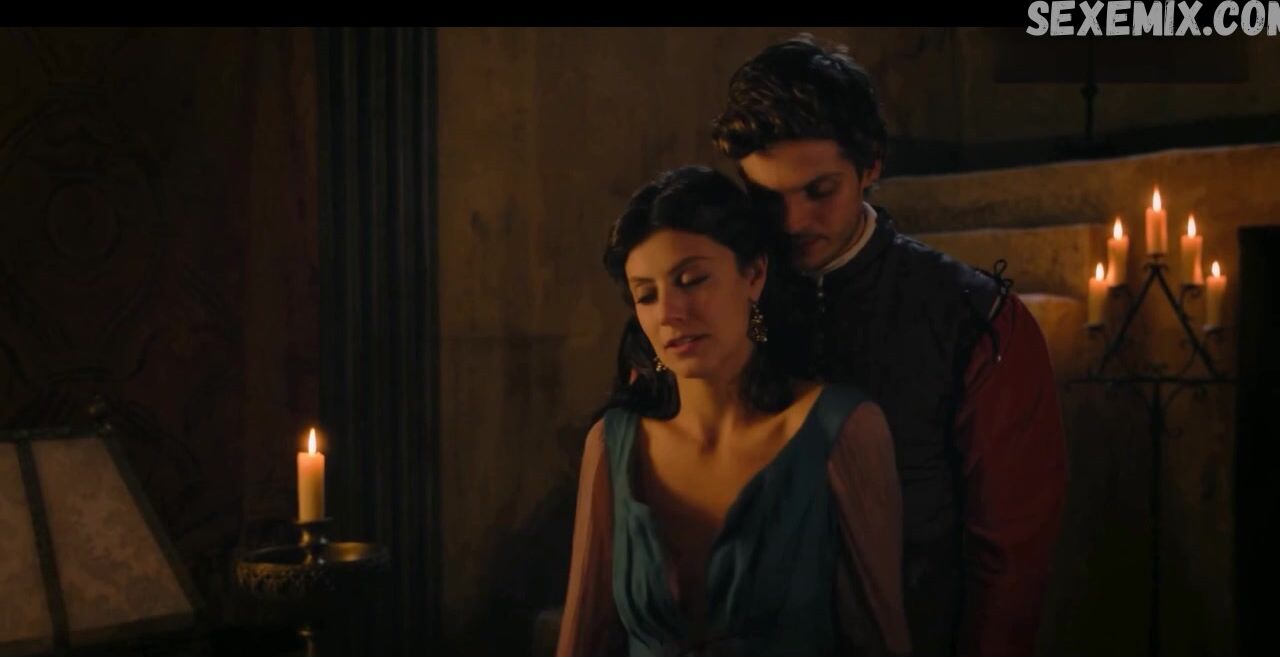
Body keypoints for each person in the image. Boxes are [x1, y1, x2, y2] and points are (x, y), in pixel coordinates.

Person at [710, 34, 1068, 657]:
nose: (792, 223)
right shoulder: (725, 300)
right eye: (768, 197)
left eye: (819, 190)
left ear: (871, 165)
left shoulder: (975, 318)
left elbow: (1010, 558)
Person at [557, 165, 912, 656]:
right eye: (646, 295)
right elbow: (583, 640)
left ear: (754, 274)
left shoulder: (840, 428)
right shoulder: (614, 443)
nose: (669, 313)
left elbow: (880, 638)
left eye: (692, 280)